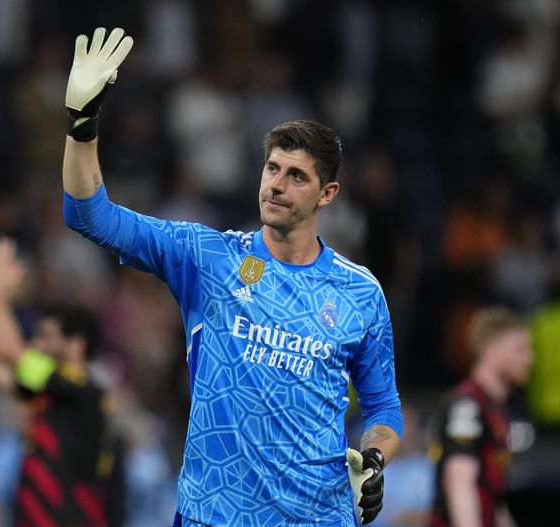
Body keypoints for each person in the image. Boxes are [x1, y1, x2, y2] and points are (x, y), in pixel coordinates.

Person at [62, 27, 403, 526]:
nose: (277, 185)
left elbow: (384, 407)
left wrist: (373, 459)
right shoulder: (208, 258)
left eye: (296, 176)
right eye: (272, 168)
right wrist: (82, 125)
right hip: (215, 515)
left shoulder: (360, 292)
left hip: (317, 518)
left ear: (327, 194)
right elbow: (89, 216)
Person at [0, 238, 123, 527]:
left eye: (46, 338)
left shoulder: (85, 393)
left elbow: (8, 350)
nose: (37, 345)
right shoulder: (51, 393)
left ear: (76, 345)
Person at [429, 307, 533, 527]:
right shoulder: (467, 405)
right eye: (519, 349)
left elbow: (492, 496)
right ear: (490, 351)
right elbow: (459, 480)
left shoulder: (495, 408)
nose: (529, 358)